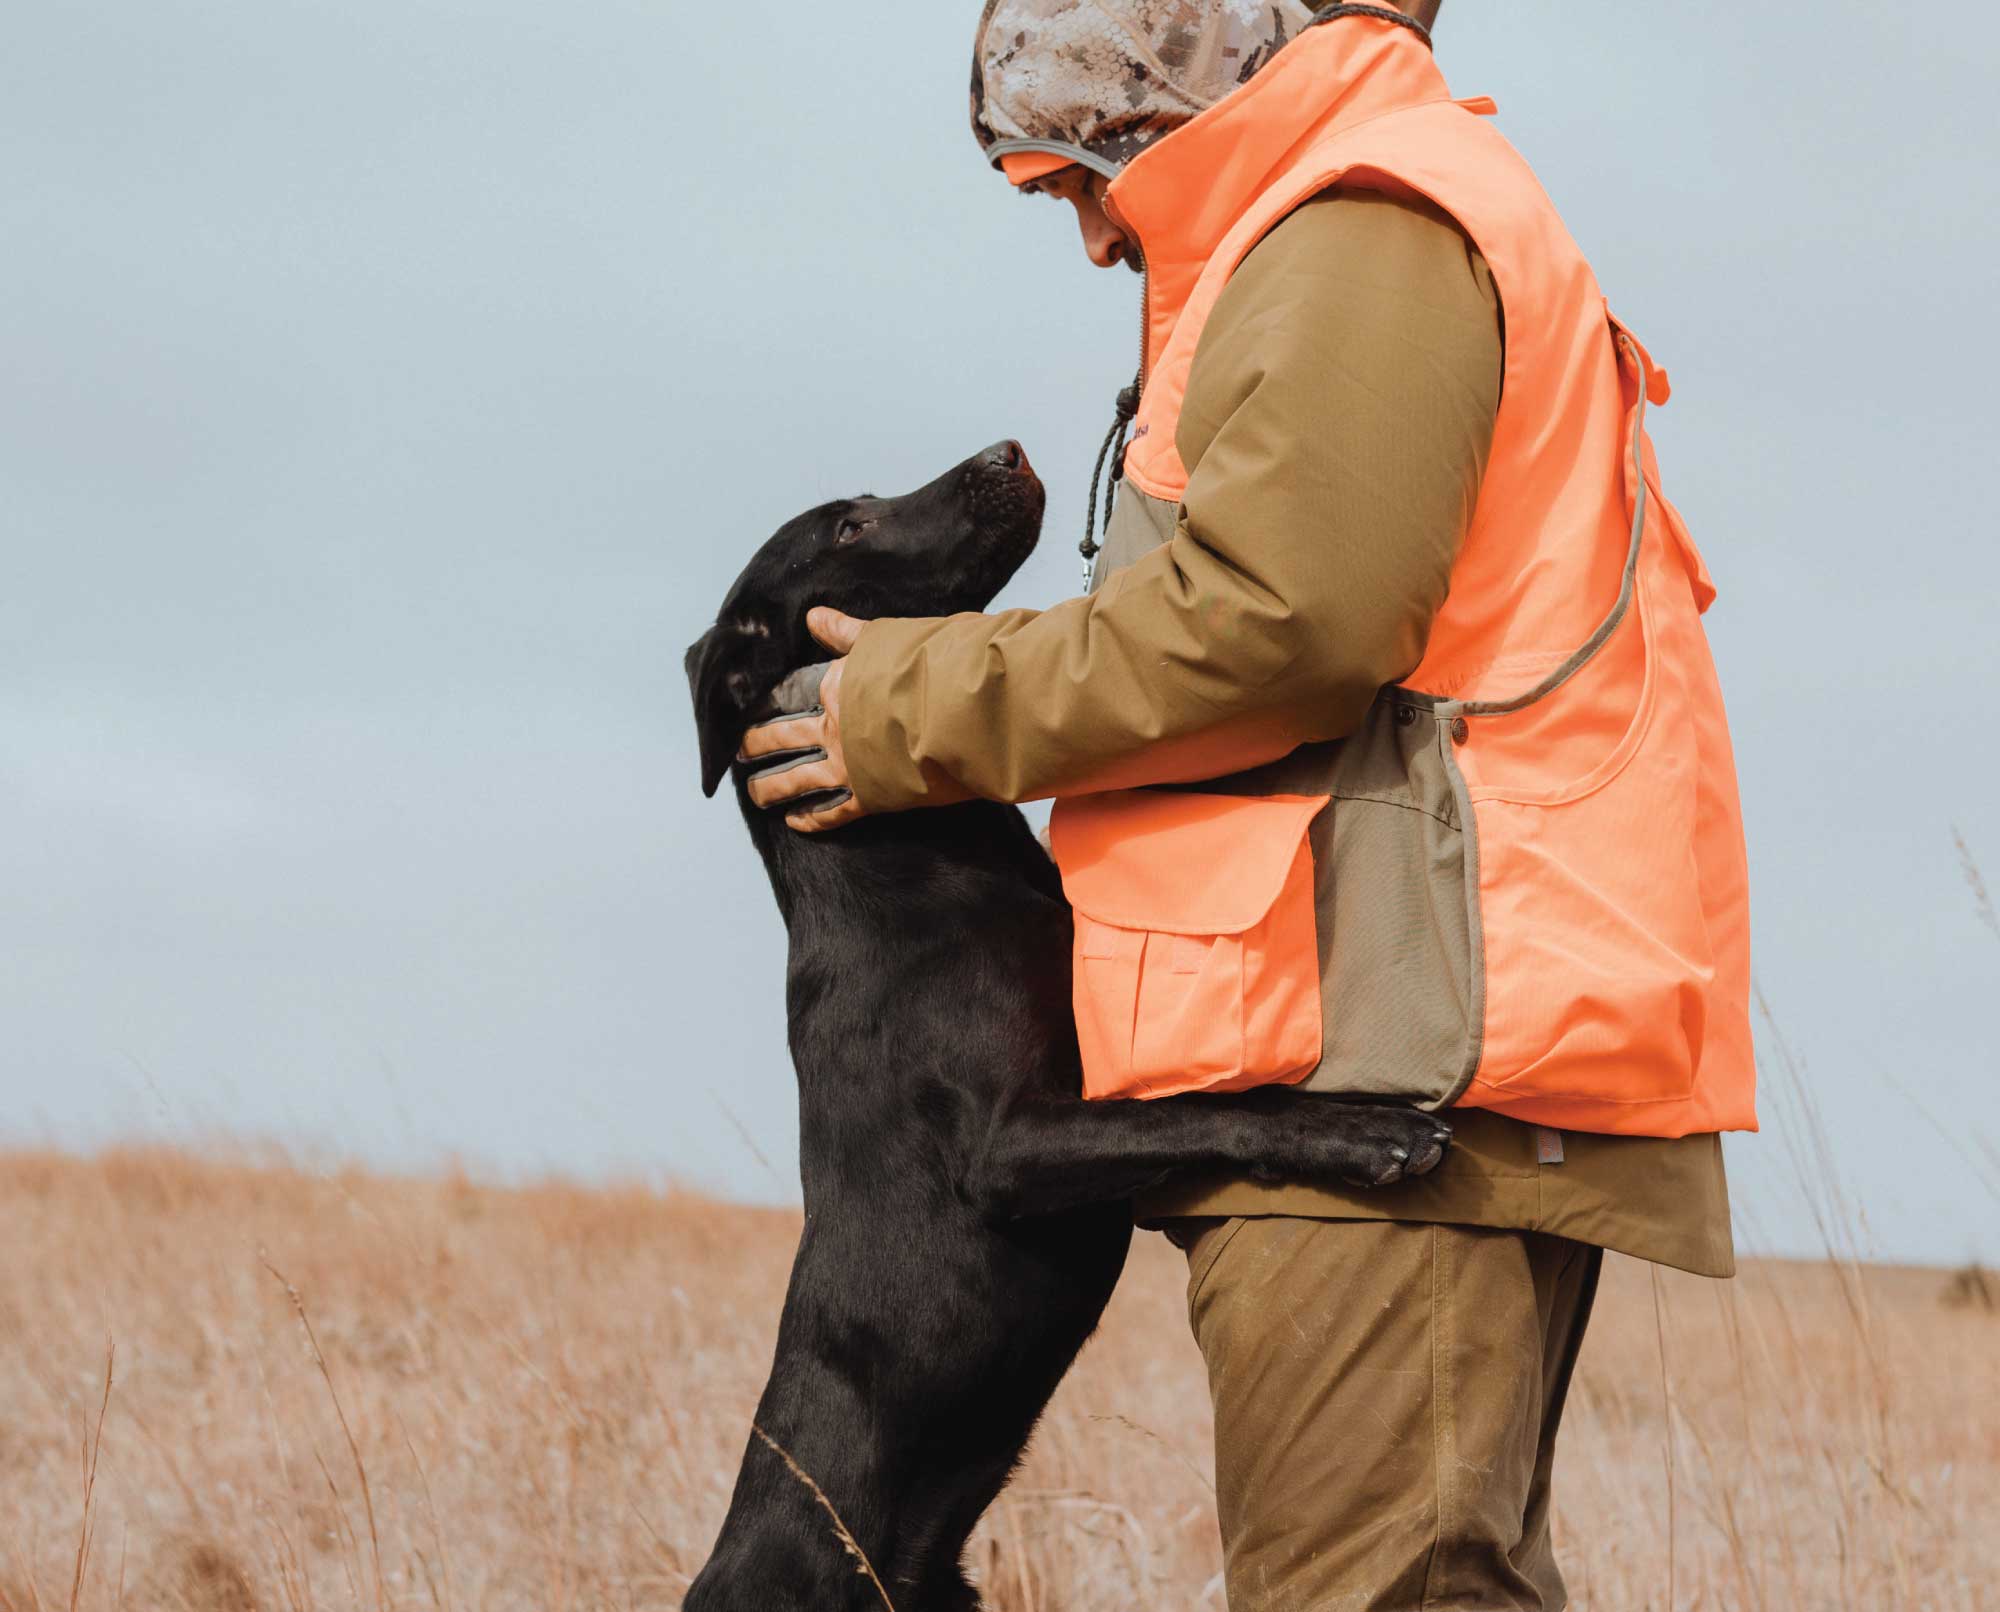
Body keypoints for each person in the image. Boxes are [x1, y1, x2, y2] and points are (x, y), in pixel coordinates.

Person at [739, 3, 1754, 1606]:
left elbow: (1284, 623)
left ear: (1165, 100)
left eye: (1079, 175)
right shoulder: (1335, 223)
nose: (1092, 237)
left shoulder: (1359, 225)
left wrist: (905, 711)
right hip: (1355, 1044)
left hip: (1384, 1044)